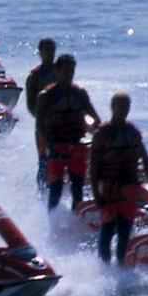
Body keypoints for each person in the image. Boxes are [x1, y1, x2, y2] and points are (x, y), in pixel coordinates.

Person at [90, 93, 148, 264]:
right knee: (107, 231)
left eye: (127, 107)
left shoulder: (132, 132)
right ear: (113, 107)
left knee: (125, 232)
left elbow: (145, 158)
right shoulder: (102, 134)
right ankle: (104, 267)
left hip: (130, 189)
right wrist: (97, 195)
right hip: (109, 190)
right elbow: (94, 169)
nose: (124, 110)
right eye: (120, 106)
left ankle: (121, 265)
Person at [36, 53, 101, 211]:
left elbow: (95, 118)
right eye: (65, 72)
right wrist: (49, 147)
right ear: (56, 72)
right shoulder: (46, 96)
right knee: (55, 190)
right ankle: (53, 222)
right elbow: (40, 126)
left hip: (76, 147)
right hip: (55, 148)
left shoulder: (79, 94)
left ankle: (77, 219)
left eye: (71, 72)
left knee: (78, 189)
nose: (68, 76)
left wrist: (97, 132)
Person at [25, 37, 58, 189]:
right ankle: (42, 192)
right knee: (44, 160)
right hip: (43, 124)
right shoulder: (34, 76)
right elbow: (31, 105)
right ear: (40, 53)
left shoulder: (61, 71)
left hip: (63, 122)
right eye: (46, 50)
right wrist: (43, 120)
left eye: (52, 50)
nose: (50, 53)